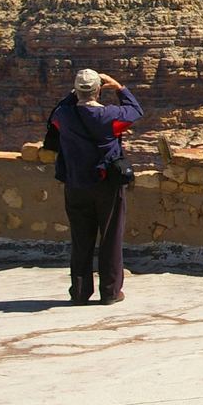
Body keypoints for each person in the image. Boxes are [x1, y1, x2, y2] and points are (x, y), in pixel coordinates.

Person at [48, 68, 143, 305]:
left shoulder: (64, 115)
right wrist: (120, 87)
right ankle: (110, 292)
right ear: (99, 90)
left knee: (81, 240)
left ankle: (80, 292)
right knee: (111, 237)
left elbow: (54, 115)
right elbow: (135, 111)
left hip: (75, 184)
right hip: (106, 185)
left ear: (77, 90)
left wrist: (74, 94)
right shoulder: (110, 117)